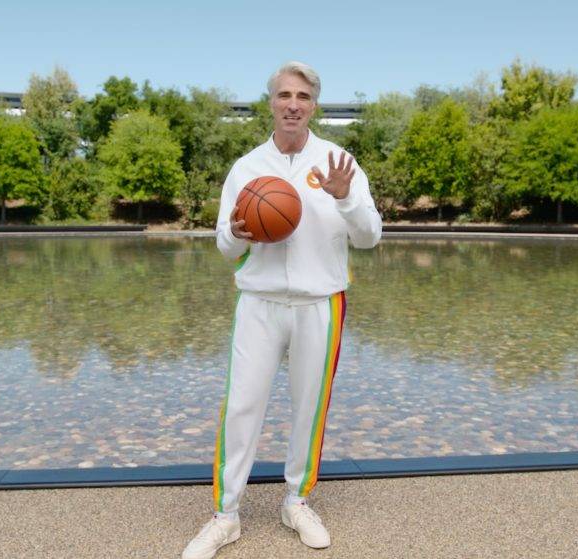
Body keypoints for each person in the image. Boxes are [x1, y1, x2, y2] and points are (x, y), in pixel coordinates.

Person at [182, 61, 382, 559]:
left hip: (321, 303)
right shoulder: (247, 168)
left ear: (314, 105)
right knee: (242, 406)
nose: (293, 104)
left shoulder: (339, 163)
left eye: (303, 96)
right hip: (259, 302)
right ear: (271, 102)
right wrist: (237, 233)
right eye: (284, 95)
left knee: (309, 409)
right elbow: (224, 245)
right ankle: (225, 515)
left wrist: (345, 199)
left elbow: (370, 237)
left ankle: (297, 502)